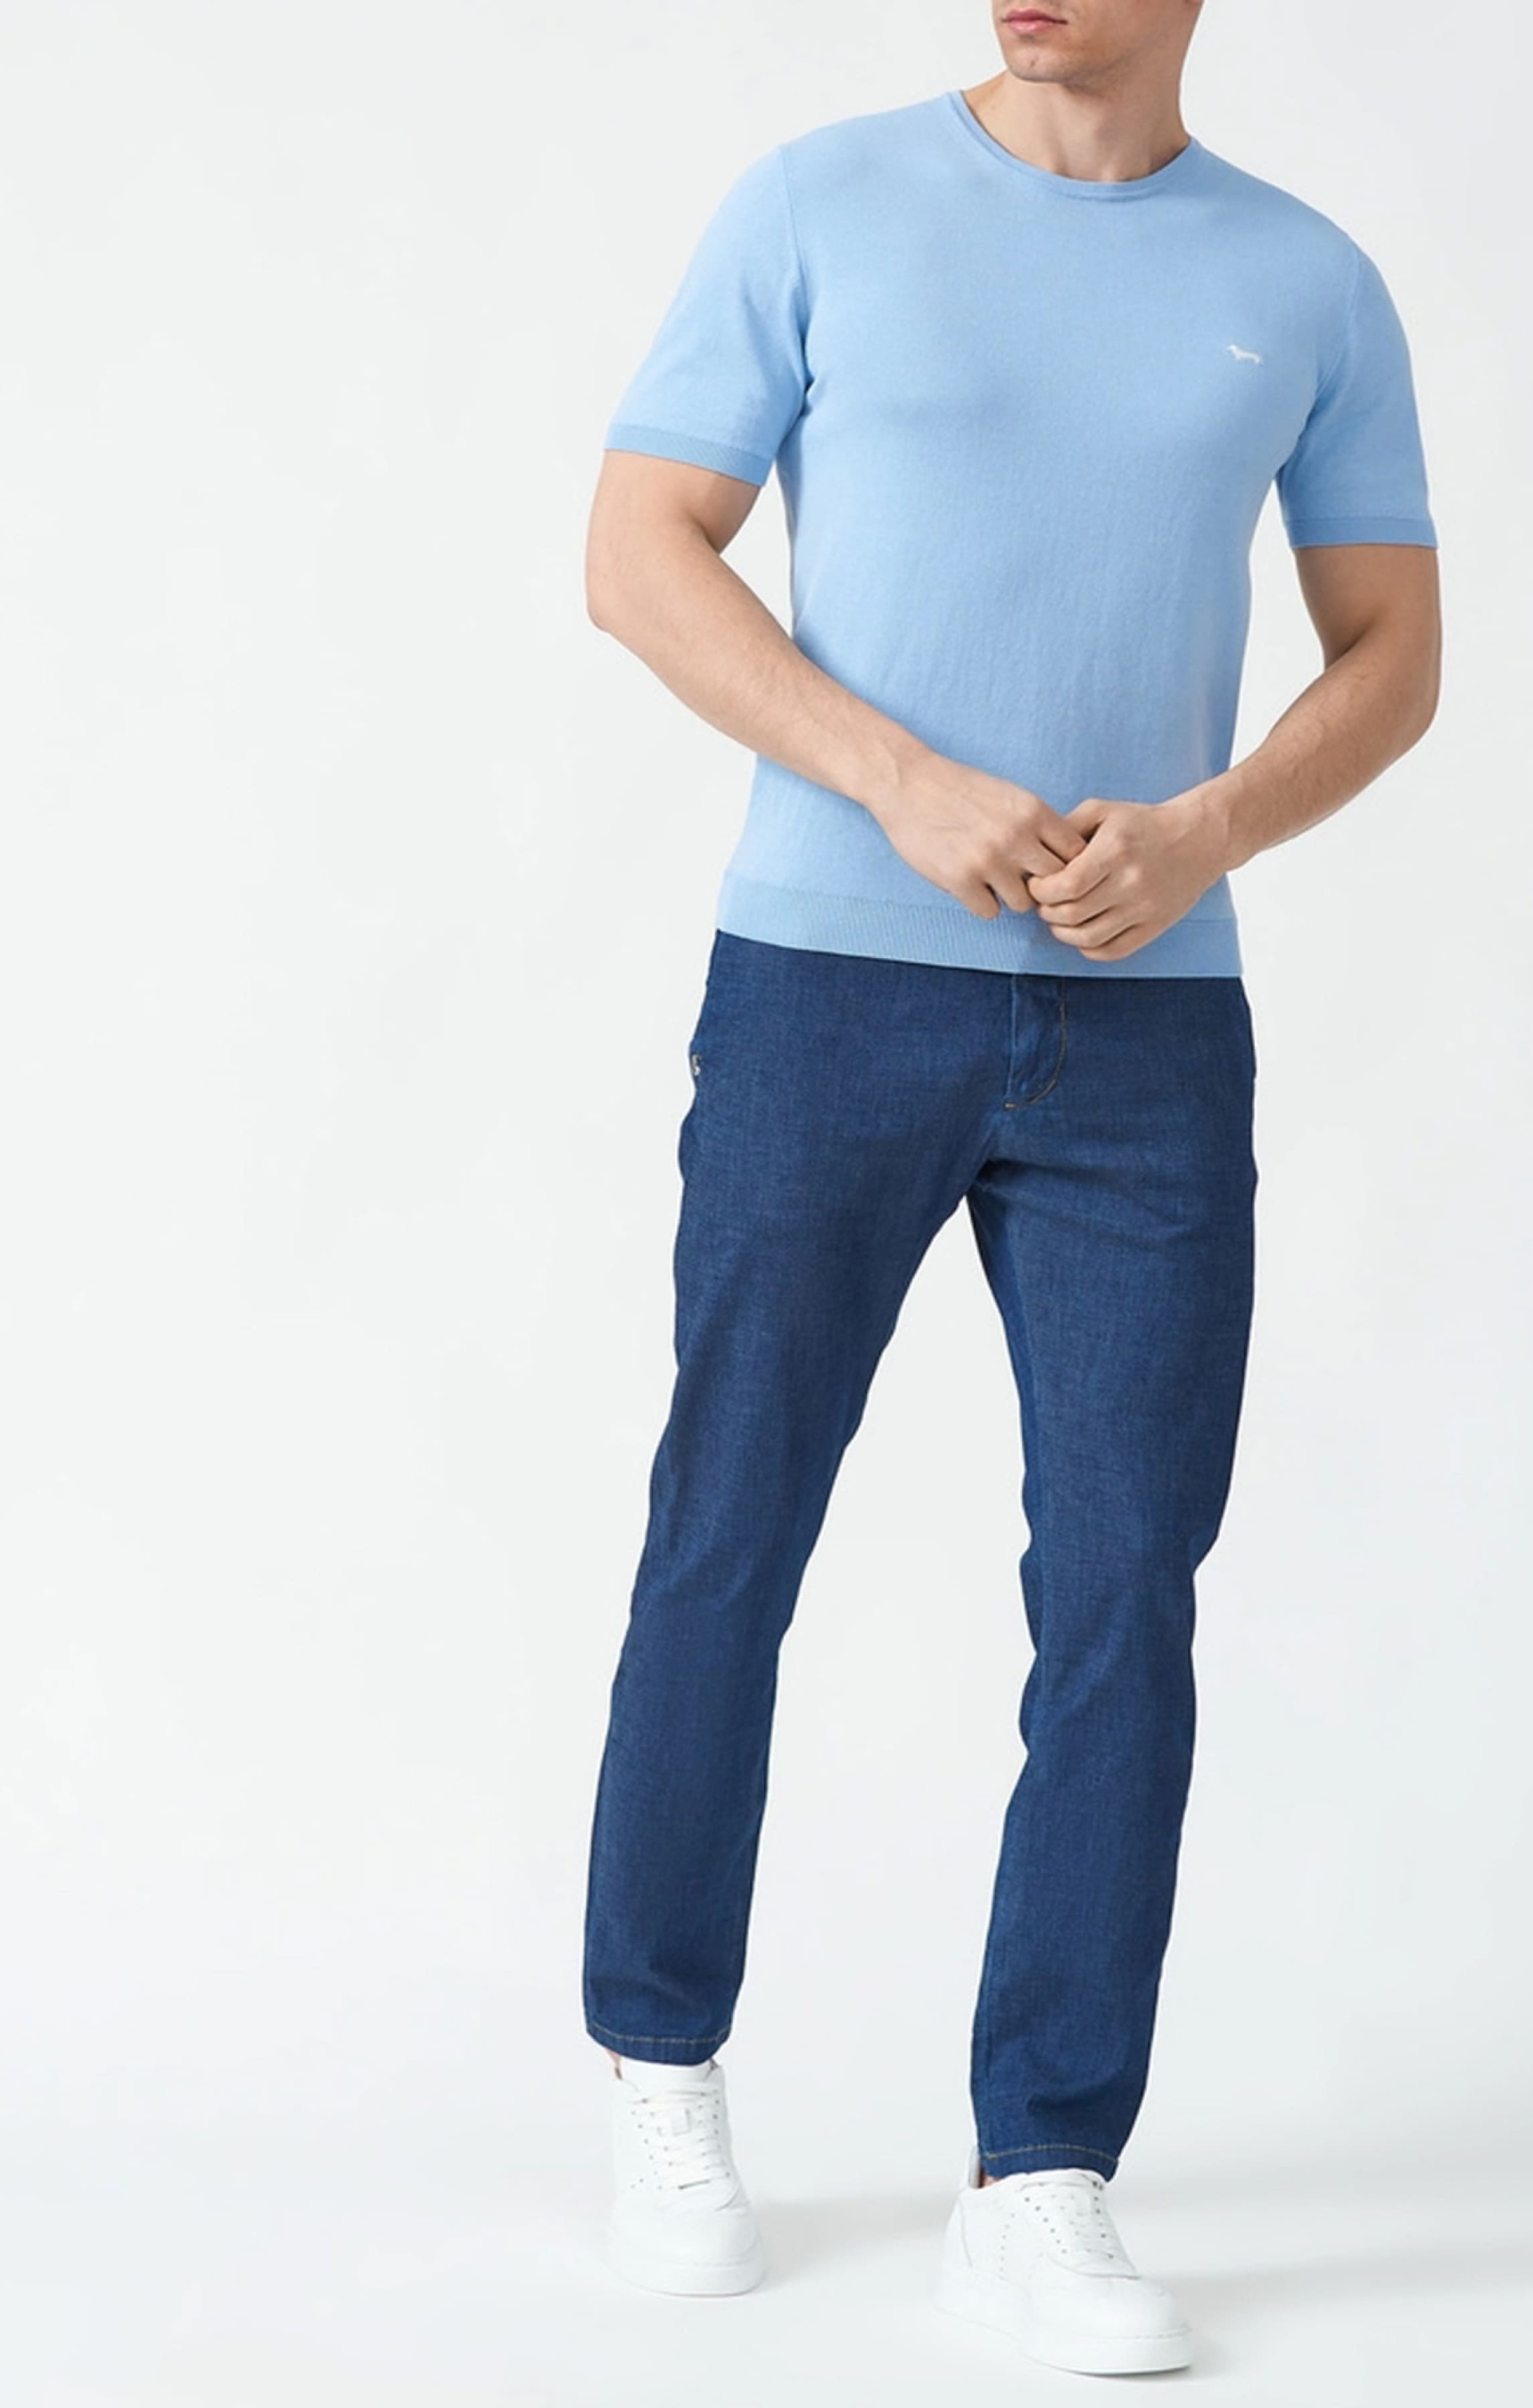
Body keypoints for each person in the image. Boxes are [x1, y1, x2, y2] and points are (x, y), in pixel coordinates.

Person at [580, 0, 1439, 2375]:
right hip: (823, 992)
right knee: (731, 1521)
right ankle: (657, 2063)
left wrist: (1209, 829)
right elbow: (636, 553)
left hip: (1147, 1028)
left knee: (1124, 1587)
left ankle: (1042, 2169)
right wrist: (899, 779)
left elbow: (1393, 650)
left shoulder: (1304, 278)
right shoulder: (820, 203)